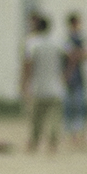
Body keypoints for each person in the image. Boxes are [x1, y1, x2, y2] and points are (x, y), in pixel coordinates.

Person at [19, 11, 65, 153]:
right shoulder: (57, 42)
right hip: (55, 87)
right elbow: (72, 57)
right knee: (54, 119)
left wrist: (24, 83)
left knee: (36, 119)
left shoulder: (32, 44)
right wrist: (65, 75)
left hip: (38, 87)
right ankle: (52, 144)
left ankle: (33, 143)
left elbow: (28, 65)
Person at [61, 10, 87, 149]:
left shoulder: (77, 39)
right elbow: (75, 56)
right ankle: (72, 134)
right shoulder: (69, 40)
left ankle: (78, 133)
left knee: (78, 106)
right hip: (72, 76)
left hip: (77, 76)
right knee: (70, 106)